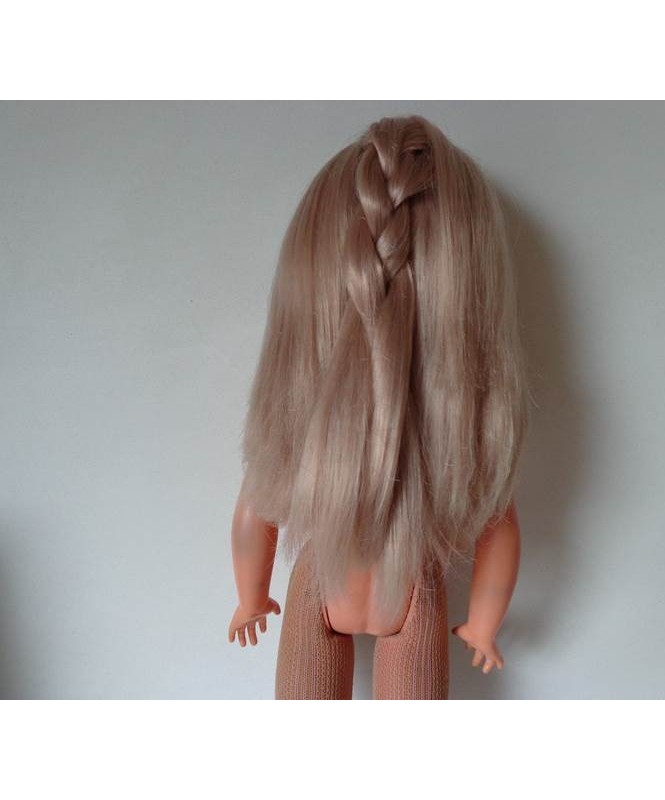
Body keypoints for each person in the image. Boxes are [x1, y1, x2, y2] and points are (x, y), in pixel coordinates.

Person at [227, 114, 529, 699]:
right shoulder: (454, 449)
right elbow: (501, 527)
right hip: (404, 592)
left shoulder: (301, 442)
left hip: (346, 590)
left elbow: (253, 509)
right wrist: (483, 624)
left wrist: (250, 597)